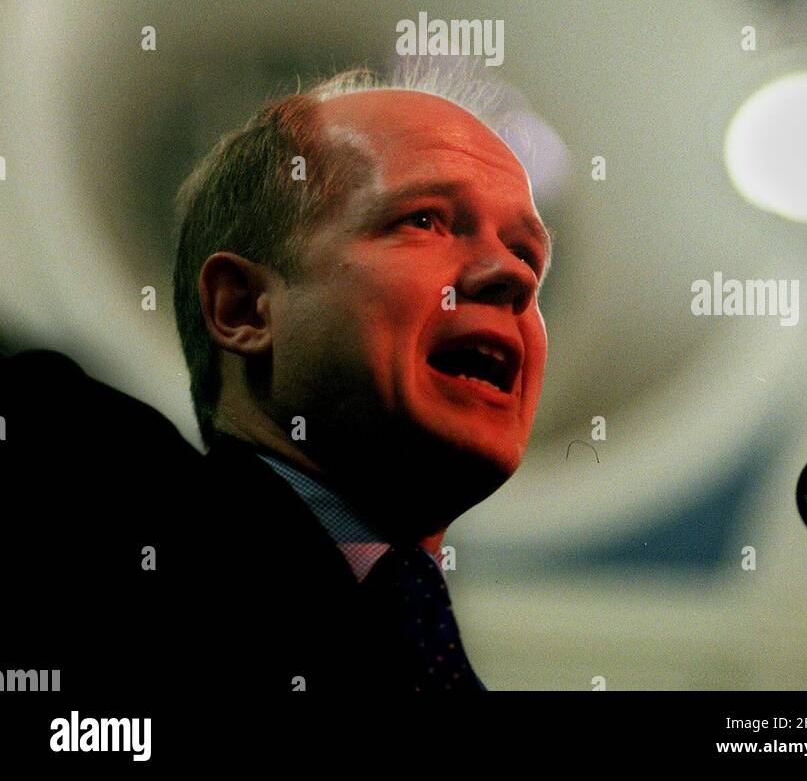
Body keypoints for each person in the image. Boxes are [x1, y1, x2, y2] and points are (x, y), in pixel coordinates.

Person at [0, 67, 552, 699]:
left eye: (526, 254)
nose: (509, 275)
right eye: (424, 220)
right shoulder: (85, 508)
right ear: (243, 309)